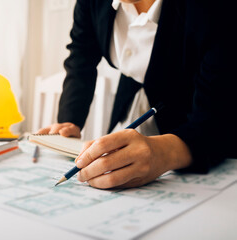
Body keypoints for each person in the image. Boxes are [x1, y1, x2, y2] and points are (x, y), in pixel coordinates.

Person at [37, 0, 236, 189]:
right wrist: (70, 121)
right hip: (133, 108)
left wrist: (167, 153)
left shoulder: (215, 8)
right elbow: (81, 57)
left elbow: (217, 118)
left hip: (204, 127)